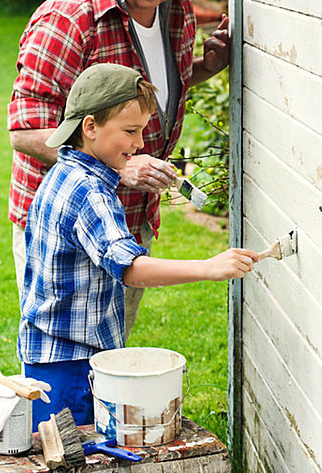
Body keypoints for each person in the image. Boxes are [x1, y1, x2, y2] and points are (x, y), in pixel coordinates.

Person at [8, 0, 229, 338]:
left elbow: (149, 95)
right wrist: (123, 166)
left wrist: (203, 68)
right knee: (64, 352)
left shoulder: (178, 5)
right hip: (63, 226)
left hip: (131, 215)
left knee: (114, 347)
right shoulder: (69, 19)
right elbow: (27, 131)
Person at [18, 63, 258, 431]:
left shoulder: (64, 171)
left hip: (48, 354)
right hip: (71, 364)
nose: (140, 144)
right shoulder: (91, 194)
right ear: (90, 127)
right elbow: (131, 269)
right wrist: (210, 267)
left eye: (142, 130)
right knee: (75, 457)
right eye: (130, 131)